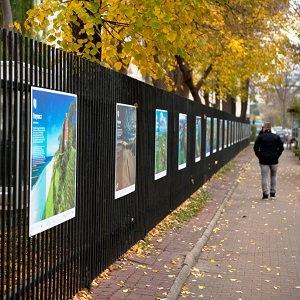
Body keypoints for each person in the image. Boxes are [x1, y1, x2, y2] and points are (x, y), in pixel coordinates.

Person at [253, 122, 284, 200]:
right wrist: (277, 155)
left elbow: (255, 148)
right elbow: (281, 148)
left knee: (264, 177)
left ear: (266, 128)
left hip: (264, 160)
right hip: (274, 159)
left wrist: (260, 156)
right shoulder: (276, 137)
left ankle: (265, 195)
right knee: (273, 176)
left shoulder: (260, 137)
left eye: (263, 127)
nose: (261, 128)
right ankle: (273, 194)